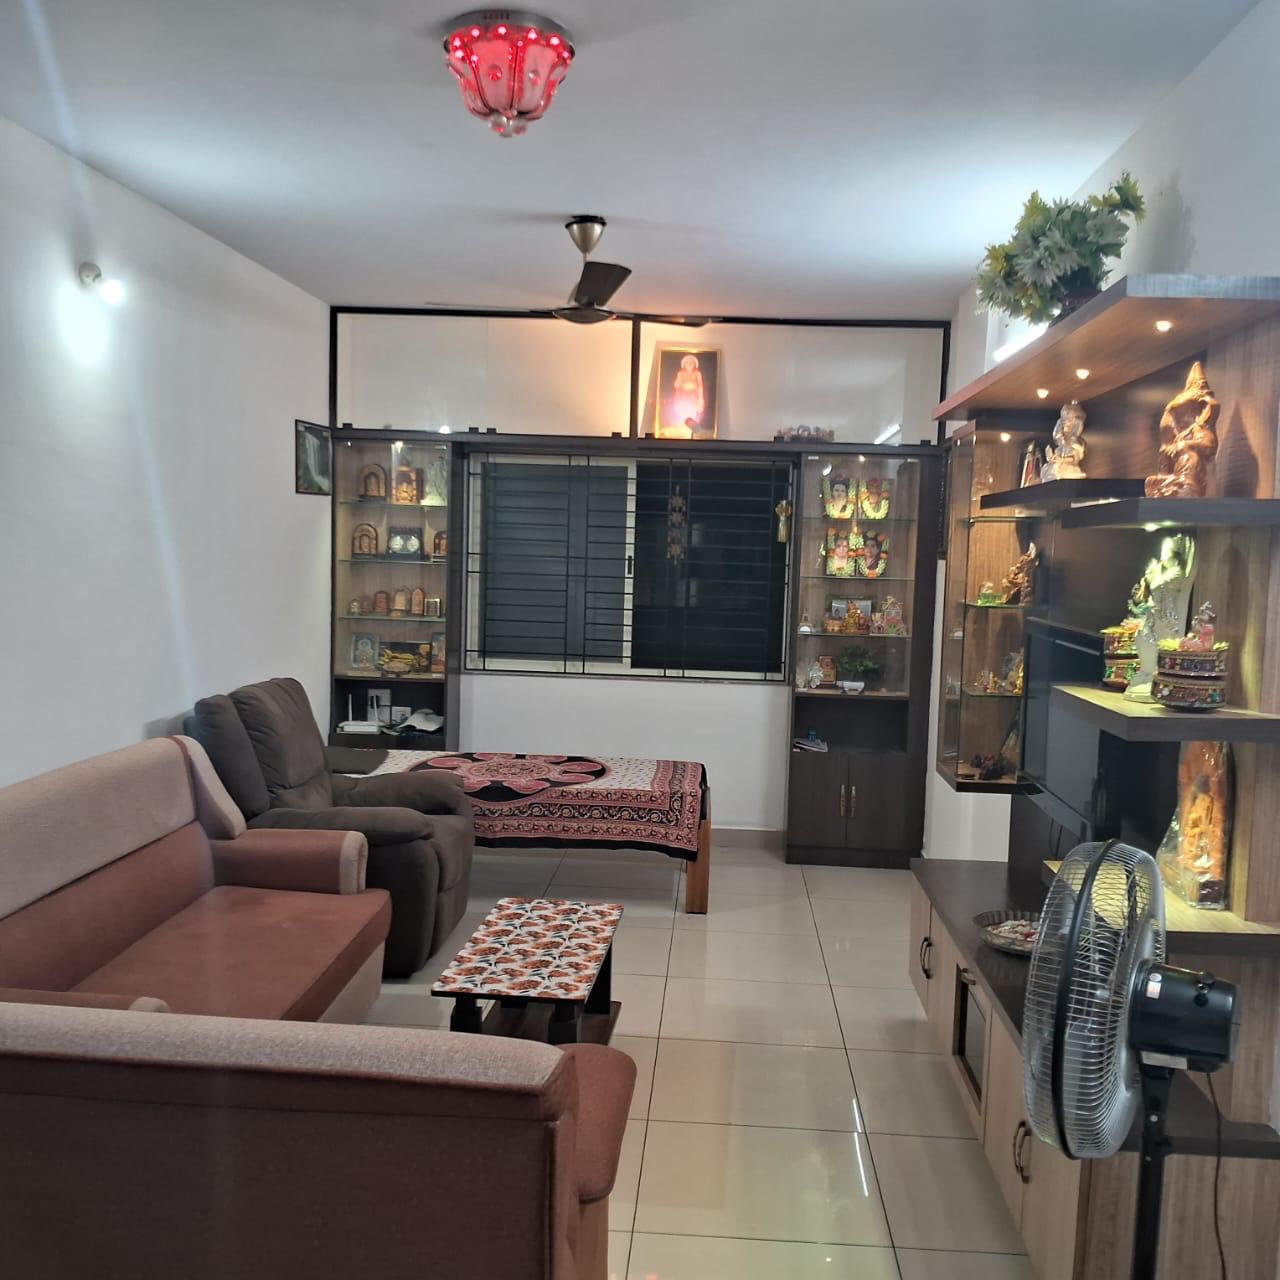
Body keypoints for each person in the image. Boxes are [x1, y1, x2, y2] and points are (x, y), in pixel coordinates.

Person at [668, 354, 705, 432]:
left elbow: (700, 386)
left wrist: (700, 399)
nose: (689, 364)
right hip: (683, 396)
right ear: (684, 364)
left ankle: (691, 427)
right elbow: (676, 385)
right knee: (683, 411)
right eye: (687, 362)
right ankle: (683, 426)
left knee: (692, 411)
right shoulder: (681, 373)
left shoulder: (697, 373)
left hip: (693, 396)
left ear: (694, 364)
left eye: (691, 362)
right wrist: (680, 381)